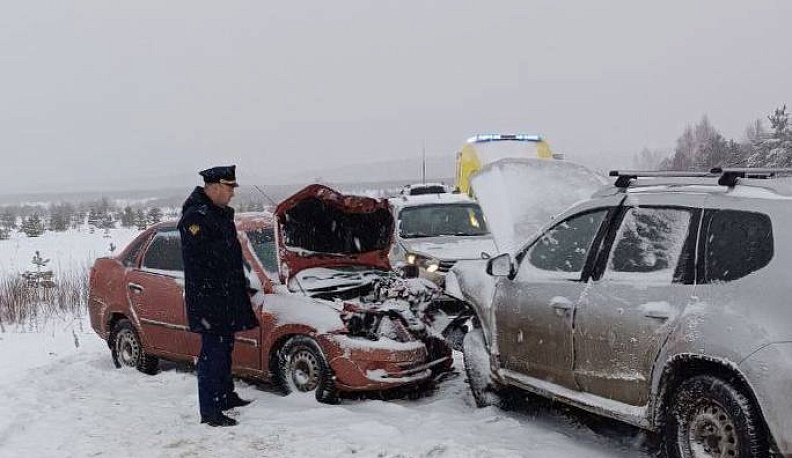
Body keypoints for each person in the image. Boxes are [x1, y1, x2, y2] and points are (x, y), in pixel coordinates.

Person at [178, 165, 259, 427]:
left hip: (225, 296)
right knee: (212, 354)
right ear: (213, 187)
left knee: (225, 349)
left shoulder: (219, 213)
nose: (232, 194)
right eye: (229, 188)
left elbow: (230, 255)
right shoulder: (195, 217)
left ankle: (225, 396)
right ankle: (210, 412)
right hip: (209, 298)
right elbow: (204, 259)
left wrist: (241, 280)